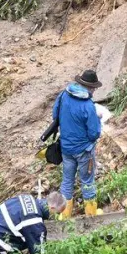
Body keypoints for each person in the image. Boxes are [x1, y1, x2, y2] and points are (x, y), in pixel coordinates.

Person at [43, 69, 103, 219]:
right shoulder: (88, 106)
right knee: (88, 182)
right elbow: (94, 133)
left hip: (66, 148)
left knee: (67, 181)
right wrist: (97, 118)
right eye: (94, 88)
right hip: (84, 151)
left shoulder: (64, 95)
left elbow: (55, 115)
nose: (94, 91)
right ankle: (91, 216)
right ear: (90, 87)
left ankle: (64, 217)